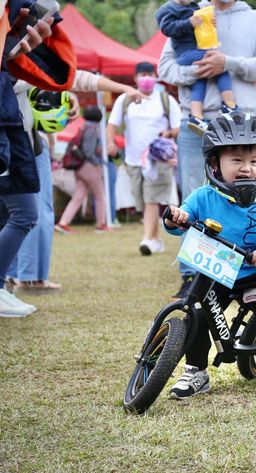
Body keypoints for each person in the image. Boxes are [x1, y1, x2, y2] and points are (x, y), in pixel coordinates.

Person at [163, 111, 256, 399]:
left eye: (253, 161)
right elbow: (180, 221)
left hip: (255, 272)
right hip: (215, 270)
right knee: (195, 314)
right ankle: (196, 371)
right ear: (214, 163)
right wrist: (175, 218)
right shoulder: (202, 197)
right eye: (237, 160)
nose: (246, 168)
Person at [158, 0, 256, 297]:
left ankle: (249, 268)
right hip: (196, 121)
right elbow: (166, 68)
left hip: (240, 121)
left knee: (248, 195)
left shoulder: (255, 18)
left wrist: (228, 63)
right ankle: (193, 274)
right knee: (194, 196)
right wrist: (197, 69)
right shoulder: (189, 14)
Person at [7, 71, 146, 295]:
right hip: (21, 143)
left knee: (33, 212)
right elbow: (64, 76)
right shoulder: (21, 55)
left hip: (30, 142)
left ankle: (22, 277)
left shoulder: (30, 55)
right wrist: (54, 84)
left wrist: (62, 90)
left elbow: (72, 76)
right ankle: (22, 278)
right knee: (29, 213)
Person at [0, 2, 75, 318]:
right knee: (27, 212)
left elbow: (76, 77)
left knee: (23, 212)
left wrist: (14, 54)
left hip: (20, 132)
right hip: (11, 129)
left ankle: (4, 286)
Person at [107, 62, 181, 256]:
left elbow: (178, 126)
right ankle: (155, 239)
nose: (146, 78)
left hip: (158, 160)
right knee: (141, 201)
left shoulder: (166, 100)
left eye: (150, 74)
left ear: (156, 77)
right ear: (135, 78)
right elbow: (112, 124)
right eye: (142, 74)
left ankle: (148, 239)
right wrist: (110, 143)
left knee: (152, 200)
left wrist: (167, 133)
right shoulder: (125, 99)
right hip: (133, 160)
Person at [156, 0, 237, 133]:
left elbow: (199, 25)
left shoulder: (193, 6)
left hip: (198, 49)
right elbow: (167, 28)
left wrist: (209, 22)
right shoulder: (167, 9)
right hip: (186, 53)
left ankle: (196, 116)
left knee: (199, 80)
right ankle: (230, 106)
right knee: (220, 65)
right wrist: (189, 23)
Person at [54, 106, 111, 233]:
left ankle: (63, 223)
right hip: (89, 167)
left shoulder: (82, 128)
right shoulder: (92, 130)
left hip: (78, 167)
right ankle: (101, 224)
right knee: (100, 195)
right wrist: (97, 164)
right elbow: (89, 152)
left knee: (78, 196)